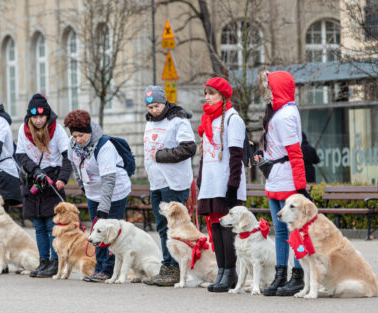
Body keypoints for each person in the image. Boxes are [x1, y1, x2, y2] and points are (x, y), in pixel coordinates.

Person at [255, 70, 309, 297]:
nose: (265, 91)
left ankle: (297, 275)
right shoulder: (278, 112)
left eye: (268, 86)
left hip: (286, 178)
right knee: (279, 230)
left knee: (293, 229)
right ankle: (281, 274)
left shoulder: (286, 114)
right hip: (276, 177)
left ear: (277, 87)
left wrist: (300, 187)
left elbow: (295, 153)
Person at [65, 110, 131, 283]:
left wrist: (103, 208)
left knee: (110, 231)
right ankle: (100, 267)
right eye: (75, 135)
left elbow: (109, 180)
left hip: (115, 192)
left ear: (89, 131)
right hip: (93, 192)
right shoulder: (72, 144)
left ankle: (108, 269)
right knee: (97, 230)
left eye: (82, 135)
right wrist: (83, 187)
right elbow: (75, 167)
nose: (78, 139)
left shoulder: (104, 146)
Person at [141, 85, 196, 287]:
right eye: (150, 107)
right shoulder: (150, 122)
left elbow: (188, 148)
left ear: (164, 103)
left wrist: (161, 156)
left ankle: (176, 268)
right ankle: (167, 265)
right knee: (162, 227)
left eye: (157, 106)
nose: (154, 110)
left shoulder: (177, 120)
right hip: (157, 182)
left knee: (176, 227)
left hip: (174, 181)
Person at [196, 77, 246, 292]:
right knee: (215, 226)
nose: (207, 97)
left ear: (223, 96)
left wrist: (232, 185)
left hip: (225, 181)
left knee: (227, 227)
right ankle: (222, 271)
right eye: (206, 93)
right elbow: (204, 155)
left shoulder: (232, 119)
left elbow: (236, 155)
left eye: (212, 93)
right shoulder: (207, 119)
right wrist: (200, 179)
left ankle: (231, 272)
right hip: (210, 181)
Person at [16, 94, 72, 278]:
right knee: (39, 225)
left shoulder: (57, 130)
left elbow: (67, 157)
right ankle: (43, 261)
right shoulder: (23, 131)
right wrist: (35, 170)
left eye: (42, 117)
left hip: (53, 178)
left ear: (47, 116)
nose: (39, 120)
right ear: (30, 117)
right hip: (34, 179)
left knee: (51, 225)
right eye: (35, 117)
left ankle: (55, 262)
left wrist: (63, 178)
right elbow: (21, 156)